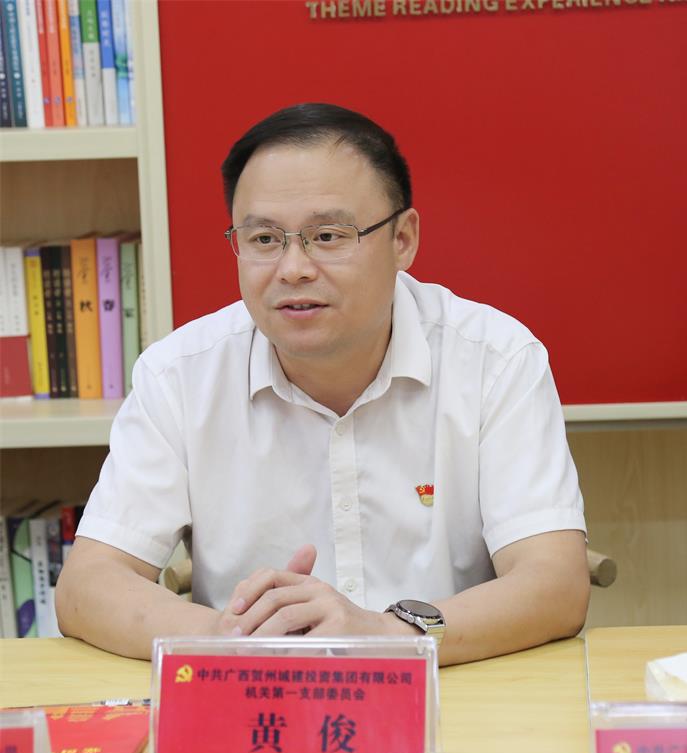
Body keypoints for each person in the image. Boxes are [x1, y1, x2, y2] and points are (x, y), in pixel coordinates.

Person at [56, 103, 590, 664]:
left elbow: (555, 584)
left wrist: (388, 634)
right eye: (264, 239)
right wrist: (229, 637)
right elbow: (87, 586)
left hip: (453, 692)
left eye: (328, 235)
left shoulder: (495, 361)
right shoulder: (180, 375)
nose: (293, 269)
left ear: (403, 239)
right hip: (259, 698)